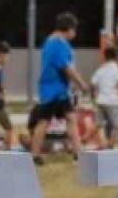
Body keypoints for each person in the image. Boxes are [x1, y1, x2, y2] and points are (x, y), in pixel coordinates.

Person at [31, 12, 91, 165]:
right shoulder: (59, 43)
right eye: (74, 30)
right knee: (54, 120)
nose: (75, 34)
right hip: (57, 91)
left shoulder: (48, 41)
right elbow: (67, 68)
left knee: (54, 120)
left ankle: (36, 155)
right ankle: (78, 154)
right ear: (69, 28)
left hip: (49, 89)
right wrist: (82, 84)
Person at [90, 47, 118, 149]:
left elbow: (92, 84)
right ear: (116, 57)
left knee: (98, 124)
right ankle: (110, 146)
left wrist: (93, 97)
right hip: (113, 101)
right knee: (117, 125)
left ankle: (83, 139)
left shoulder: (100, 69)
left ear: (105, 57)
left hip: (101, 100)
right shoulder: (117, 70)